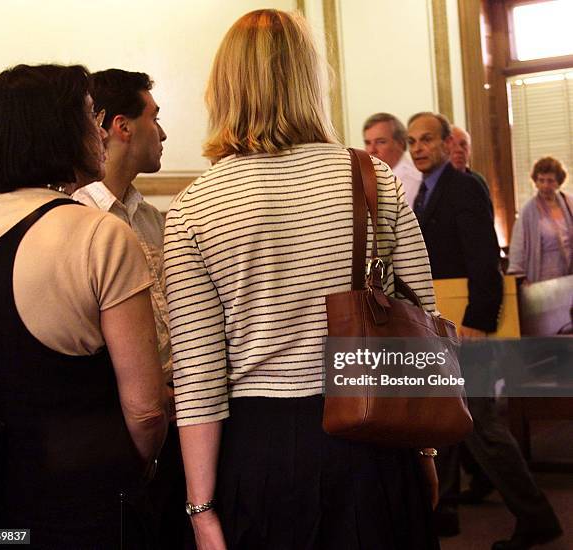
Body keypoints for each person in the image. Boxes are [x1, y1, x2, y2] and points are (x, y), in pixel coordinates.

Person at [165, 10, 439, 550]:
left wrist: (200, 508)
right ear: (310, 81)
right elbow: (422, 326)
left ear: (223, 88)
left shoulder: (194, 205)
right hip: (372, 430)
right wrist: (426, 452)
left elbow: (198, 375)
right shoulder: (371, 176)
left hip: (258, 449)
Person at [0, 64, 167, 548]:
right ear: (56, 130)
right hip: (84, 506)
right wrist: (148, 464)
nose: (97, 131)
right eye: (88, 116)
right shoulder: (98, 233)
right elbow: (146, 410)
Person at [408, 112, 561, 550]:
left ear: (445, 143)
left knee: (482, 426)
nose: (418, 148)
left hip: (468, 327)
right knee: (450, 418)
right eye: (413, 141)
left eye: (427, 140)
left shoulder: (461, 187)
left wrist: (477, 321)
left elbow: (483, 262)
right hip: (445, 326)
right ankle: (448, 504)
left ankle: (537, 518)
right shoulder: (426, 191)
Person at [72, 68, 188, 548]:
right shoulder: (78, 217)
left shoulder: (155, 218)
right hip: (116, 427)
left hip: (178, 422)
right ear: (122, 127)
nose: (162, 133)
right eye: (154, 118)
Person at [508, 156, 573, 283]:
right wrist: (520, 277)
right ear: (535, 181)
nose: (545, 185)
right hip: (542, 277)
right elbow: (518, 245)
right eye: (541, 180)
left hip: (568, 274)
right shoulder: (528, 211)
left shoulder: (569, 204)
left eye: (550, 181)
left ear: (559, 182)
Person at [363, 112, 422, 204]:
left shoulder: (413, 182)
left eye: (380, 142)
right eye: (368, 143)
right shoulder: (365, 180)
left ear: (401, 144)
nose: (371, 150)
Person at [449, 125, 493, 217]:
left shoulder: (477, 181)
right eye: (452, 145)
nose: (459, 150)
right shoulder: (437, 184)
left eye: (463, 145)